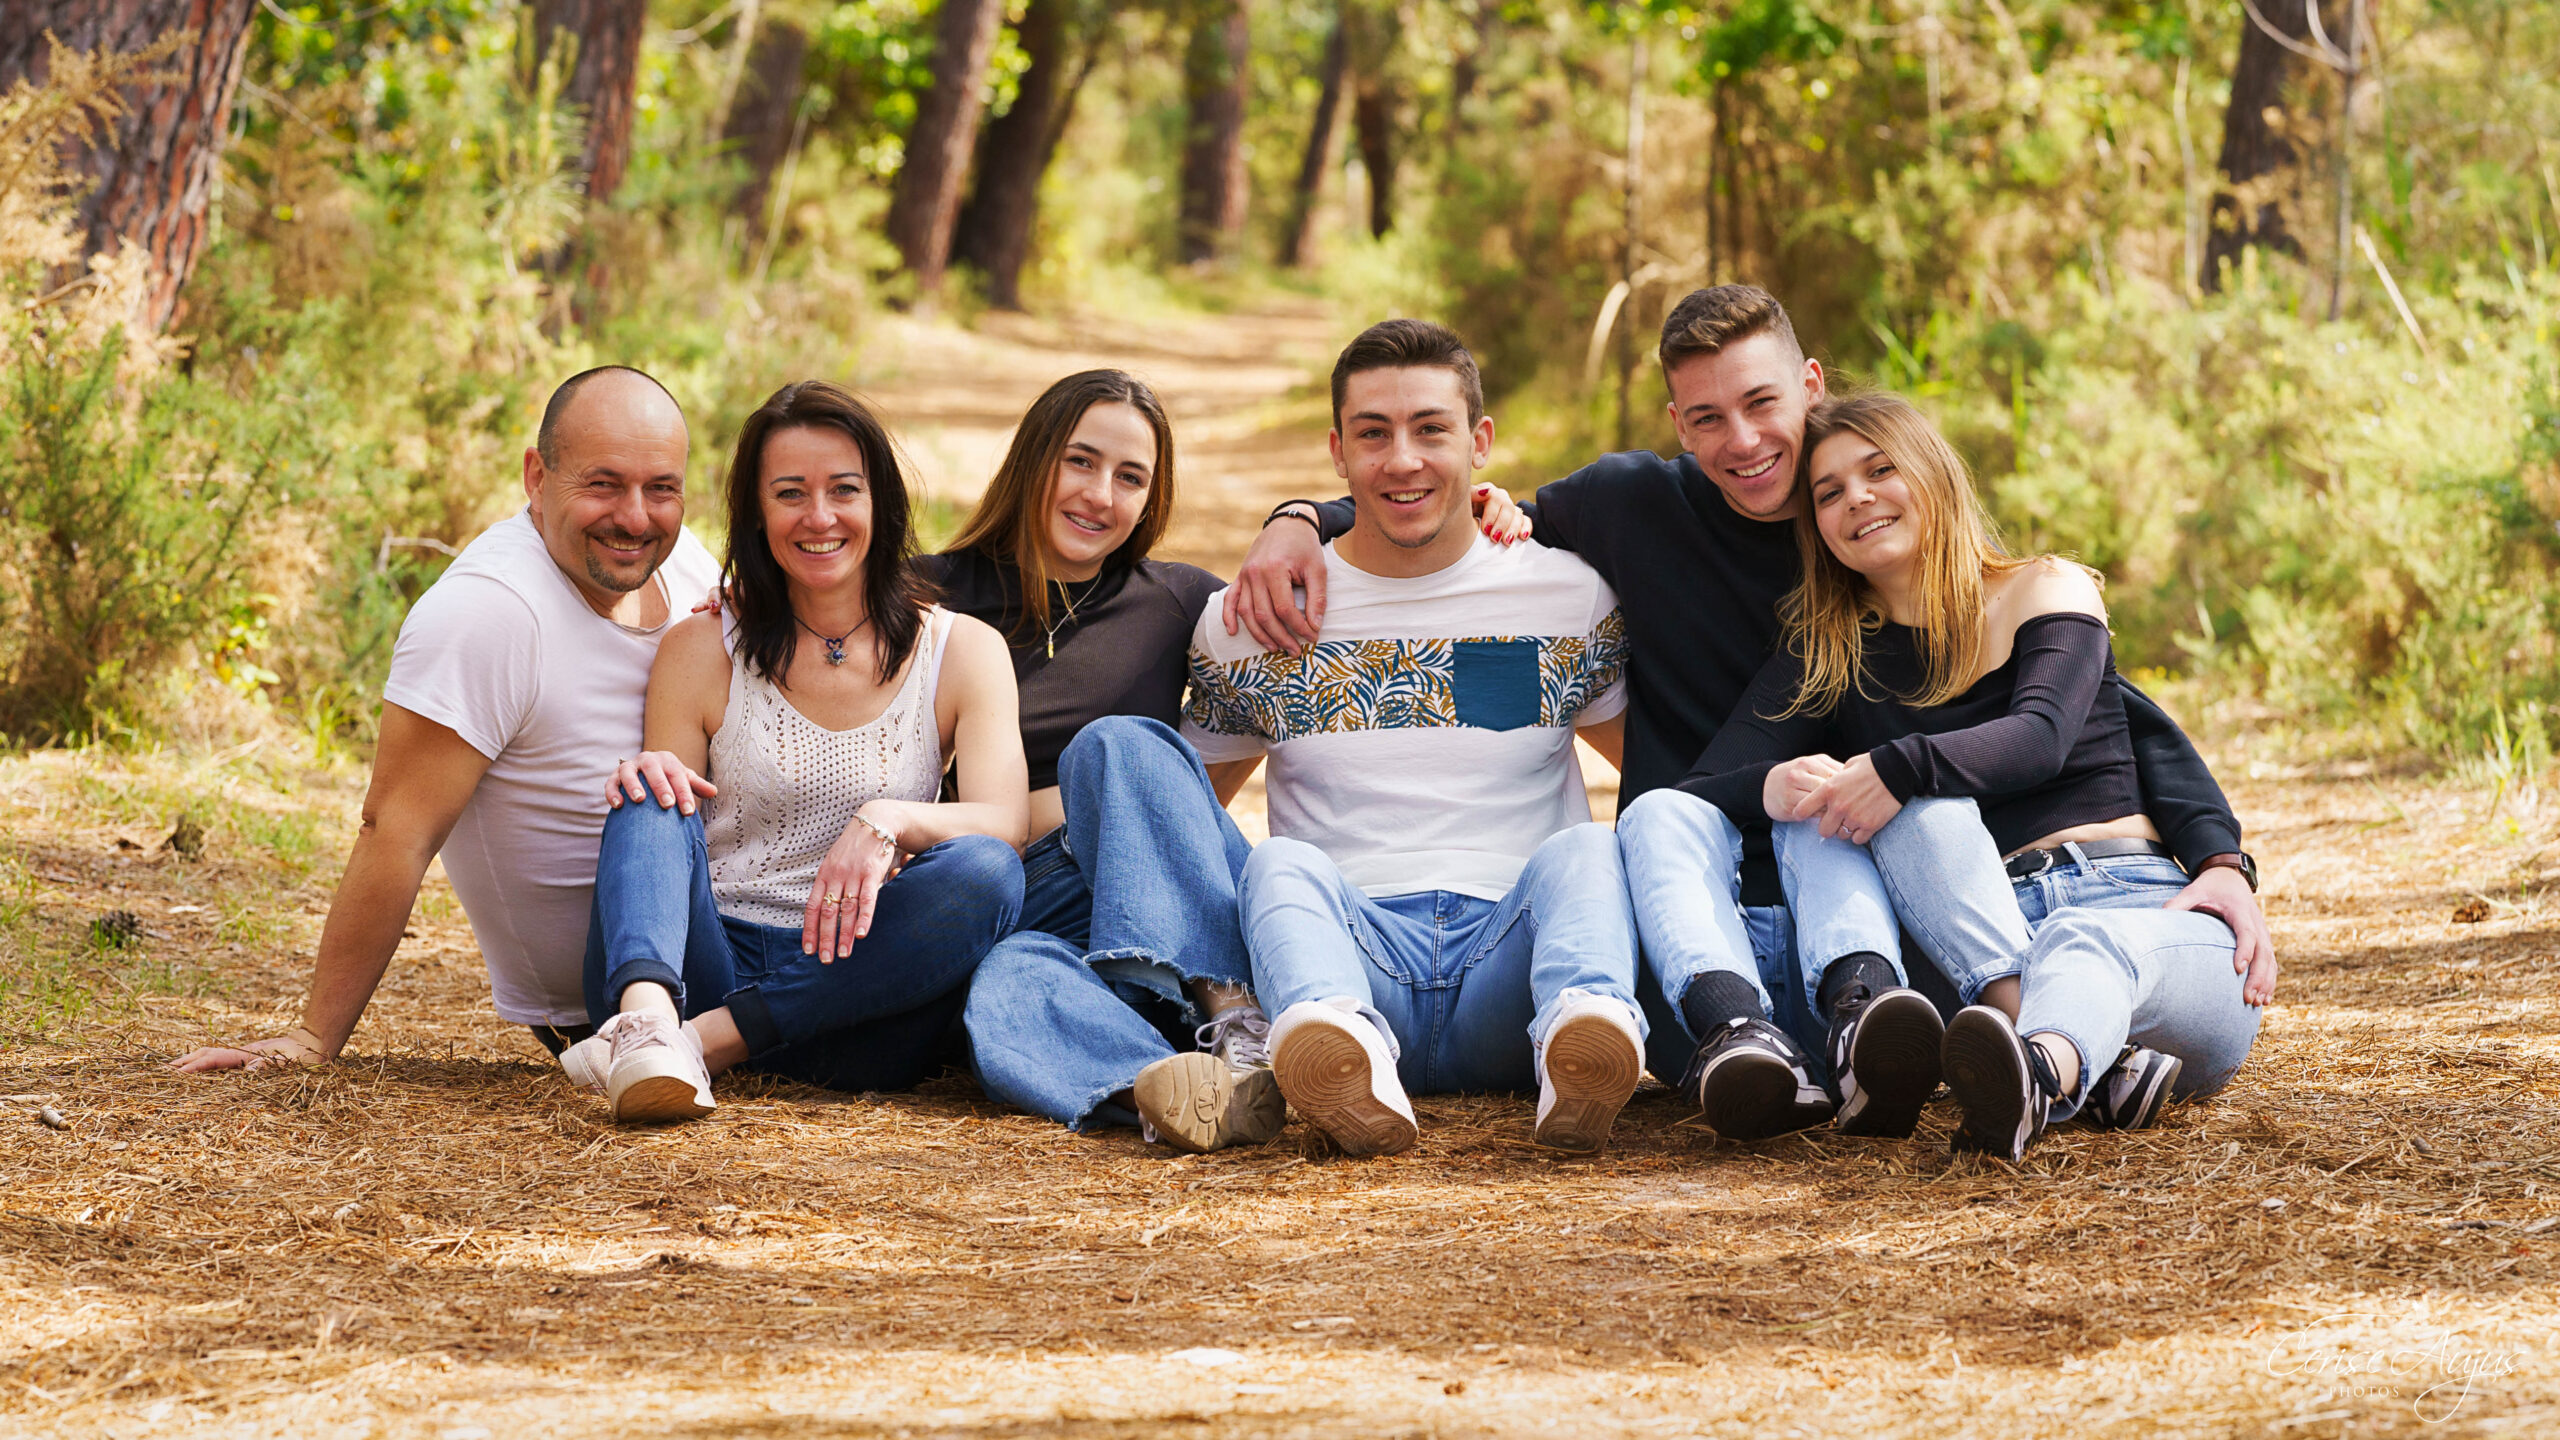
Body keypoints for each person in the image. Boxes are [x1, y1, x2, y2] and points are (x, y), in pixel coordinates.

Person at [1227, 286, 2266, 1144]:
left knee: (1919, 831)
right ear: (1675, 423)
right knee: (1710, 813)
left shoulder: (1977, 586)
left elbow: (2094, 718)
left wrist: (2221, 857)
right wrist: (1296, 524)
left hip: (1907, 913)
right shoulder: (1679, 536)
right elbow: (1427, 490)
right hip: (1736, 914)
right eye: (1706, 418)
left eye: (1765, 406)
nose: (1746, 443)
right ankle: (1776, 1034)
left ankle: (2014, 1047)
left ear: (1811, 388)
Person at [1683, 391, 2271, 1160]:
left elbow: (2046, 737)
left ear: (1932, 475)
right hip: (1981, 933)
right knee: (1920, 817)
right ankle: (2051, 1065)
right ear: (1817, 527)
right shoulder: (1835, 655)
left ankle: (2033, 1062)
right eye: (1828, 493)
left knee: (2082, 939)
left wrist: (2223, 862)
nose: (1857, 499)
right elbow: (1701, 789)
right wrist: (1784, 783)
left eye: (1880, 470)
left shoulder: (2047, 588)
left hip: (2140, 911)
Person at [171, 368, 722, 1074]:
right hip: (623, 993)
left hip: (745, 924)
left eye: (662, 488)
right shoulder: (488, 613)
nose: (637, 517)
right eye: (604, 484)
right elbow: (397, 829)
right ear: (536, 476)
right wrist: (313, 1040)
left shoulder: (688, 566)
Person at [1183, 319, 1646, 1157]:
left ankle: (1583, 1043)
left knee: (1585, 850)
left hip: (1517, 968)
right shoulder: (1256, 618)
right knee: (1278, 862)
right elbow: (1191, 820)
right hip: (1353, 957)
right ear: (1336, 452)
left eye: (1431, 429)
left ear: (1481, 441)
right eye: (1373, 434)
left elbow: (1652, 777)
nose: (1403, 460)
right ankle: (1339, 1052)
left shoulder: (1565, 597)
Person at [565, 380, 1027, 1123]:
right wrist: (649, 780)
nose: (820, 518)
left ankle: (697, 1046)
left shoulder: (962, 650)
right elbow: (665, 838)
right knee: (651, 787)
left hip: (861, 998)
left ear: (881, 503)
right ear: (755, 513)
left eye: (844, 490)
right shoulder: (702, 646)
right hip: (703, 964)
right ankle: (649, 1024)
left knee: (988, 871)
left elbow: (1007, 821)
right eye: (789, 494)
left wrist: (890, 818)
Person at [922, 370, 1274, 1152]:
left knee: (1118, 744)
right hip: (1018, 895)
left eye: (1131, 478)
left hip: (1159, 895)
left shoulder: (1177, 601)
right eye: (1079, 462)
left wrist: (1488, 512)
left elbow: (1340, 602)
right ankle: (1181, 1087)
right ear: (1033, 458)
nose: (1100, 495)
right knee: (1005, 985)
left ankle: (1238, 1019)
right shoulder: (927, 593)